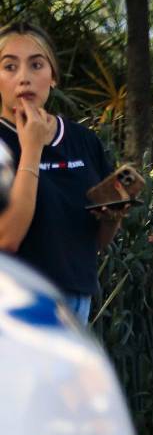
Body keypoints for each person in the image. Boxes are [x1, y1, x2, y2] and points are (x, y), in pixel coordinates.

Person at [0, 21, 125, 324]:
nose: (24, 78)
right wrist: (32, 148)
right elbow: (7, 238)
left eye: (36, 65)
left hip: (75, 301)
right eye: (9, 66)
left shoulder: (84, 141)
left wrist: (112, 217)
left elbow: (95, 241)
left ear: (53, 76)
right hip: (15, 305)